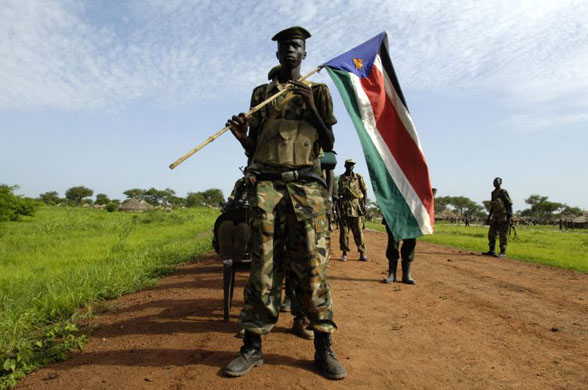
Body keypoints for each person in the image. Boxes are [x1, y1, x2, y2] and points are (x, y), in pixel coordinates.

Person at [224, 26, 346, 380]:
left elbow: (329, 141)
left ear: (305, 53)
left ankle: (323, 348)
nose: (290, 50)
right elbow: (256, 151)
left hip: (306, 191)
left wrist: (310, 105)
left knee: (312, 271)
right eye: (284, 47)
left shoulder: (319, 92)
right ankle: (252, 348)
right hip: (267, 192)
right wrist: (243, 137)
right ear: (277, 55)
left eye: (296, 46)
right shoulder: (261, 94)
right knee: (263, 271)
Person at [337, 159, 368, 261]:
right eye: (349, 165)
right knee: (344, 232)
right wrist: (337, 209)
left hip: (356, 206)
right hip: (344, 207)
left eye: (352, 165)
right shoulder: (341, 178)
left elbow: (364, 191)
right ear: (345, 165)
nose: (351, 166)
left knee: (358, 231)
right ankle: (344, 253)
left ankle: (362, 253)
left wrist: (365, 205)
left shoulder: (358, 177)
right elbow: (338, 194)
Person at [482, 177, 513, 257]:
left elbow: (509, 203)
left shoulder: (503, 192)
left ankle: (503, 251)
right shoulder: (493, 193)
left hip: (503, 215)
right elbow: (492, 206)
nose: (495, 183)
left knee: (503, 234)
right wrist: (489, 216)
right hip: (495, 215)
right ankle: (491, 250)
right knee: (491, 233)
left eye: (497, 181)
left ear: (500, 183)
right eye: (494, 181)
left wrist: (510, 214)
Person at [381, 218, 416, 284]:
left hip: (411, 215)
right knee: (393, 243)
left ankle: (406, 275)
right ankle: (392, 274)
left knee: (410, 242)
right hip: (393, 214)